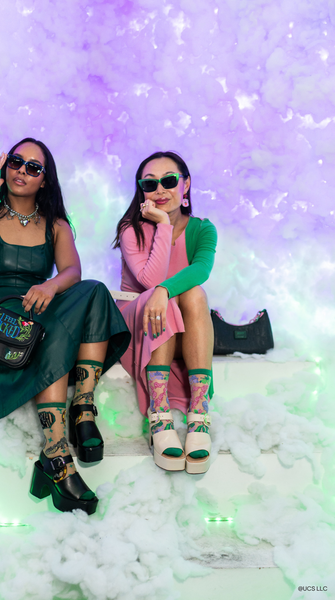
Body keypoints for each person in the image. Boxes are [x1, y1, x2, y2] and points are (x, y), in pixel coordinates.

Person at [0, 138, 130, 514]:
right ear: (5, 167)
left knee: (94, 290)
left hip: (37, 315)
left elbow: (72, 271)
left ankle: (82, 409)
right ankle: (56, 454)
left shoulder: (55, 225)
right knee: (53, 335)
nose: (22, 170)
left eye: (33, 167)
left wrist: (51, 286)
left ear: (44, 180)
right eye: (16, 162)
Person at [113, 151, 217, 474]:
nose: (160, 190)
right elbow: (151, 280)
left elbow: (201, 270)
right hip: (138, 322)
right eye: (150, 184)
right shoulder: (131, 229)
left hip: (180, 327)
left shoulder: (203, 229)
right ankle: (159, 415)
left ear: (186, 185)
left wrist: (164, 291)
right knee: (166, 299)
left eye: (169, 181)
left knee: (194, 293)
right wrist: (162, 225)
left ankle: (199, 416)